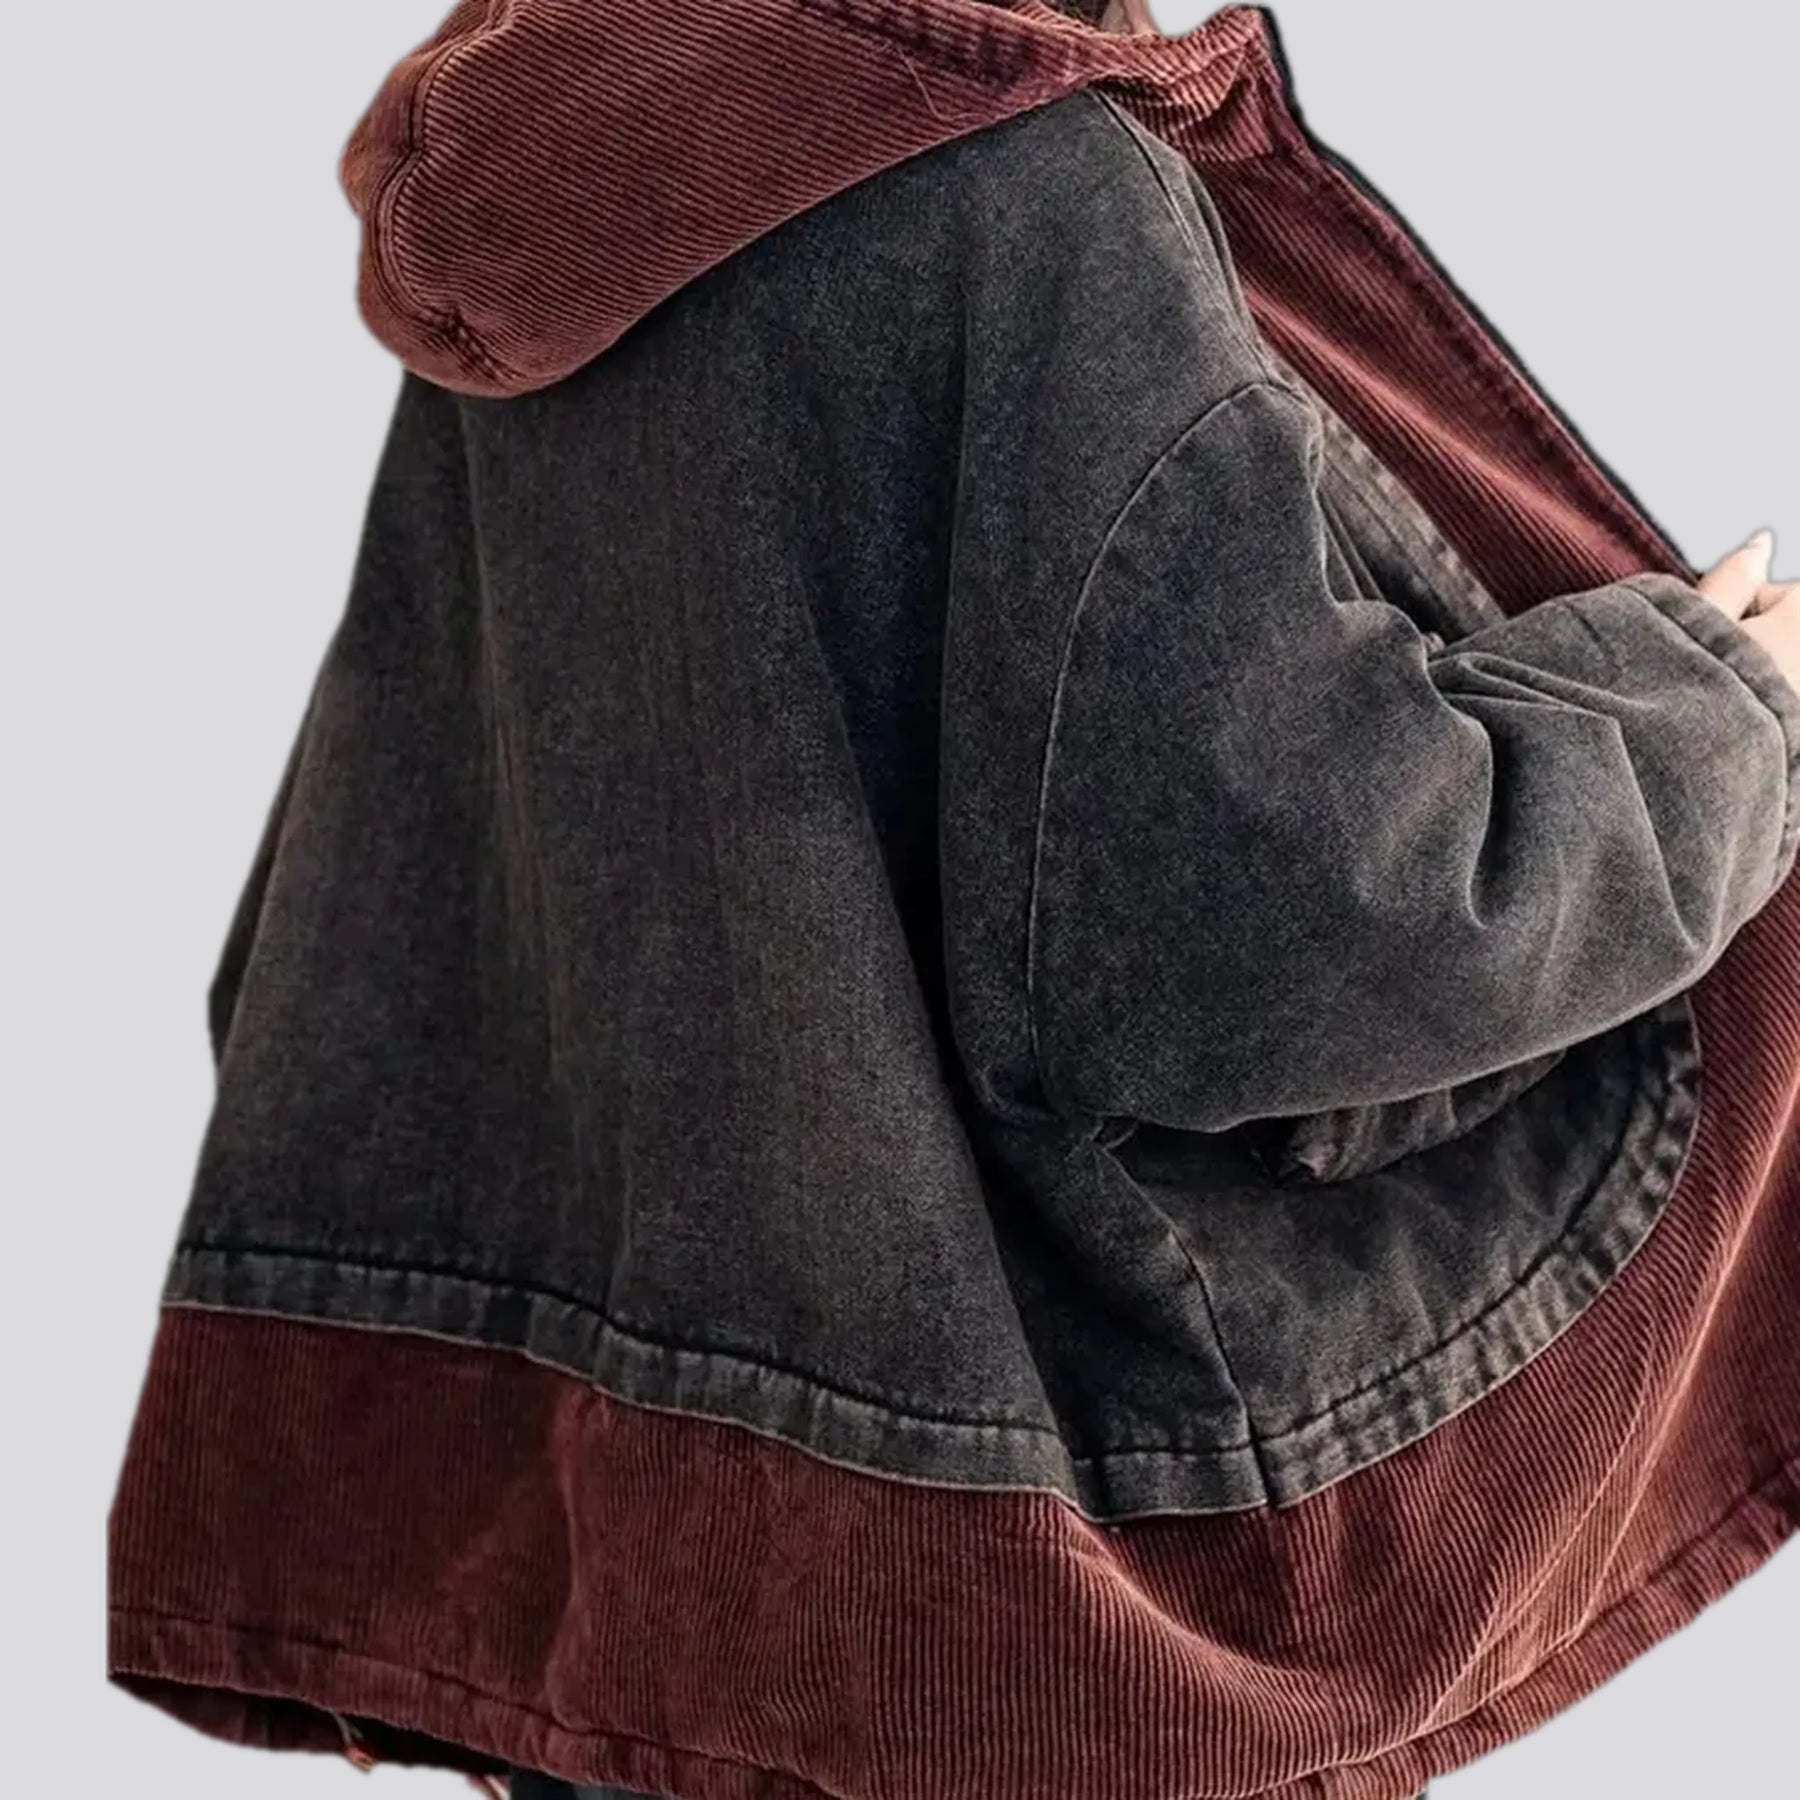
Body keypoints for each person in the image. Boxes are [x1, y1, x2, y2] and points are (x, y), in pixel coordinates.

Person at [107, 3, 1800, 1798]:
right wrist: (1707, 717)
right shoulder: (1015, 188)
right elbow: (1308, 925)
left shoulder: (591, 148)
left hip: (629, 1547)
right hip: (971, 1600)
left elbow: (402, 835)